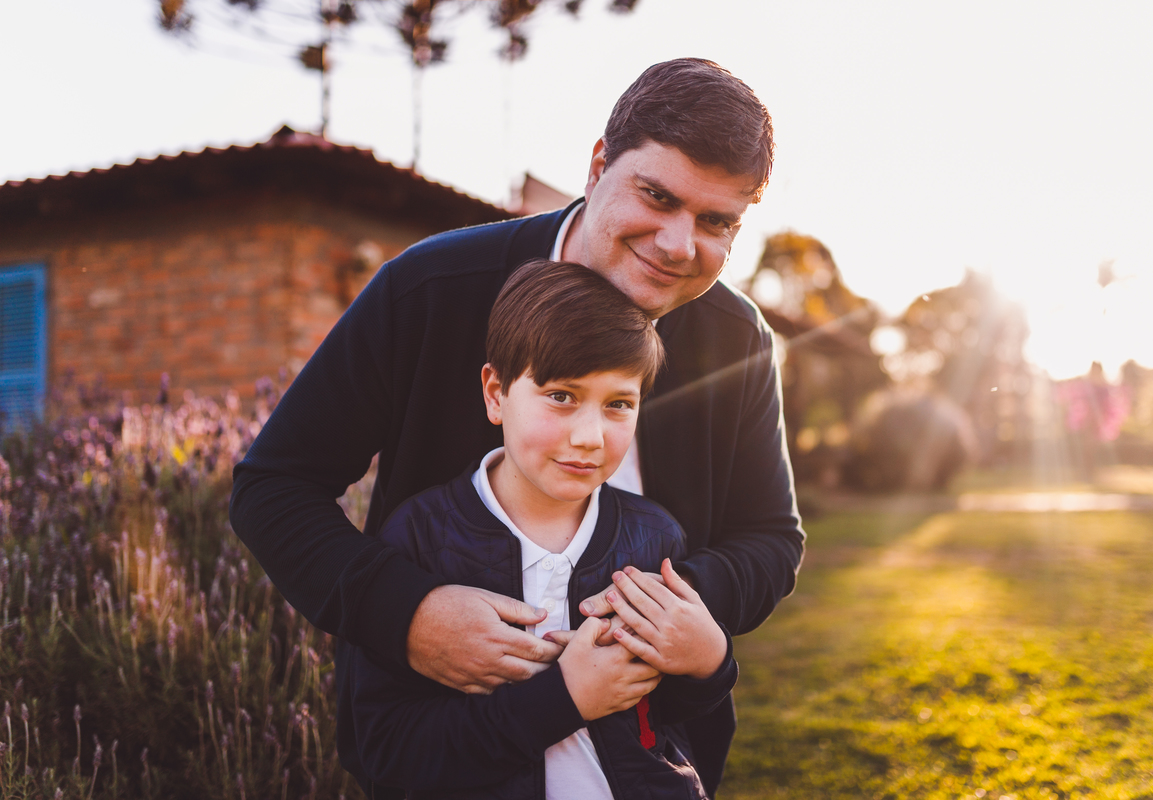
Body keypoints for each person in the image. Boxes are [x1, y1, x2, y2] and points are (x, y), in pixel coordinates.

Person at [230, 57, 805, 795]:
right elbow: (274, 487)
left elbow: (771, 539)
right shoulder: (428, 290)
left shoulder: (738, 336)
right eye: (657, 196)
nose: (676, 244)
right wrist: (407, 613)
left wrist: (671, 609)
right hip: (442, 756)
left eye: (715, 222)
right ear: (599, 165)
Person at [341, 259, 738, 799]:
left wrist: (711, 660)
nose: (590, 437)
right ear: (496, 392)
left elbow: (670, 717)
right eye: (562, 396)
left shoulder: (654, 536)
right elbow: (389, 751)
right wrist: (564, 698)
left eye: (619, 404)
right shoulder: (418, 538)